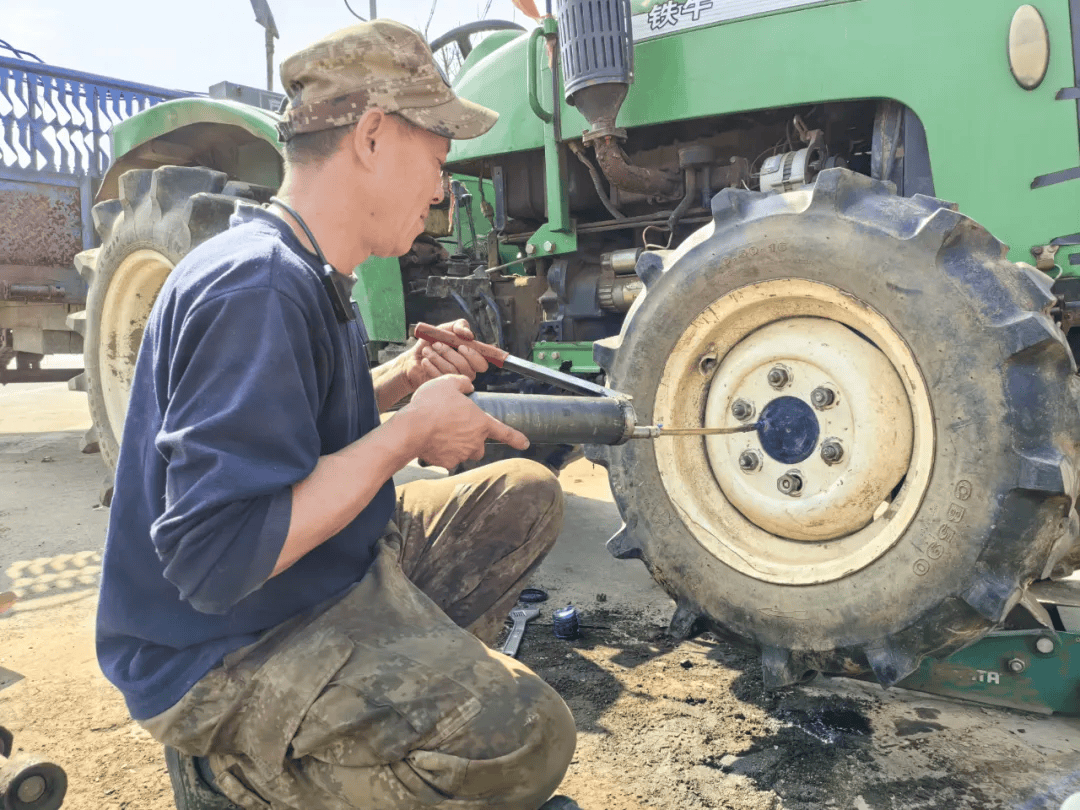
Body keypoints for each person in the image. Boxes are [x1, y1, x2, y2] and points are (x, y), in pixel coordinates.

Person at [95, 19, 578, 810]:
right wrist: (409, 435)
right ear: (375, 135)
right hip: (221, 652)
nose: (441, 188)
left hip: (307, 583)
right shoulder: (256, 286)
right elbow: (215, 559)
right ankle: (241, 771)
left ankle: (386, 695)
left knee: (521, 495)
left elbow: (294, 411)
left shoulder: (302, 267)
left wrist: (398, 380)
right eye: (438, 157)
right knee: (529, 734)